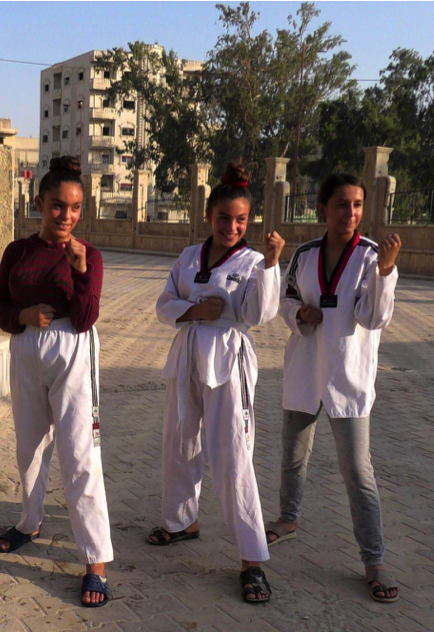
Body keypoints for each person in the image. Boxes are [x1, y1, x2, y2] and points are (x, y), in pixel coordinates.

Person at [150, 163, 285, 604]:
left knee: (232, 456)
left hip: (229, 360)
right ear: (209, 215)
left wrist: (271, 264)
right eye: (224, 218)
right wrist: (192, 312)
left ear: (250, 221)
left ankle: (251, 560)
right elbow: (164, 302)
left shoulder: (251, 261)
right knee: (180, 440)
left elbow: (255, 315)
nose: (232, 226)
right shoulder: (189, 256)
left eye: (241, 219)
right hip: (188, 351)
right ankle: (182, 522)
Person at [269, 173, 402, 603]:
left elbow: (372, 318)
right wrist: (298, 315)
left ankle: (374, 561)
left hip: (349, 378)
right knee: (293, 455)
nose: (351, 213)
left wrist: (385, 272)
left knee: (358, 472)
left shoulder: (369, 257)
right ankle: (287, 520)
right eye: (342, 204)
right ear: (323, 208)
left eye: (358, 205)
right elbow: (284, 301)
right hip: (306, 369)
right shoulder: (304, 255)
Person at [0, 156, 113, 608]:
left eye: (76, 208)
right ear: (39, 204)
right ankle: (29, 522)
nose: (66, 217)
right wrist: (20, 316)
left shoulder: (89, 255)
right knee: (29, 446)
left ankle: (95, 561)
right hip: (26, 350)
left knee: (80, 454)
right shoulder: (16, 252)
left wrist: (80, 271)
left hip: (74, 353)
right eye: (58, 206)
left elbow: (85, 318)